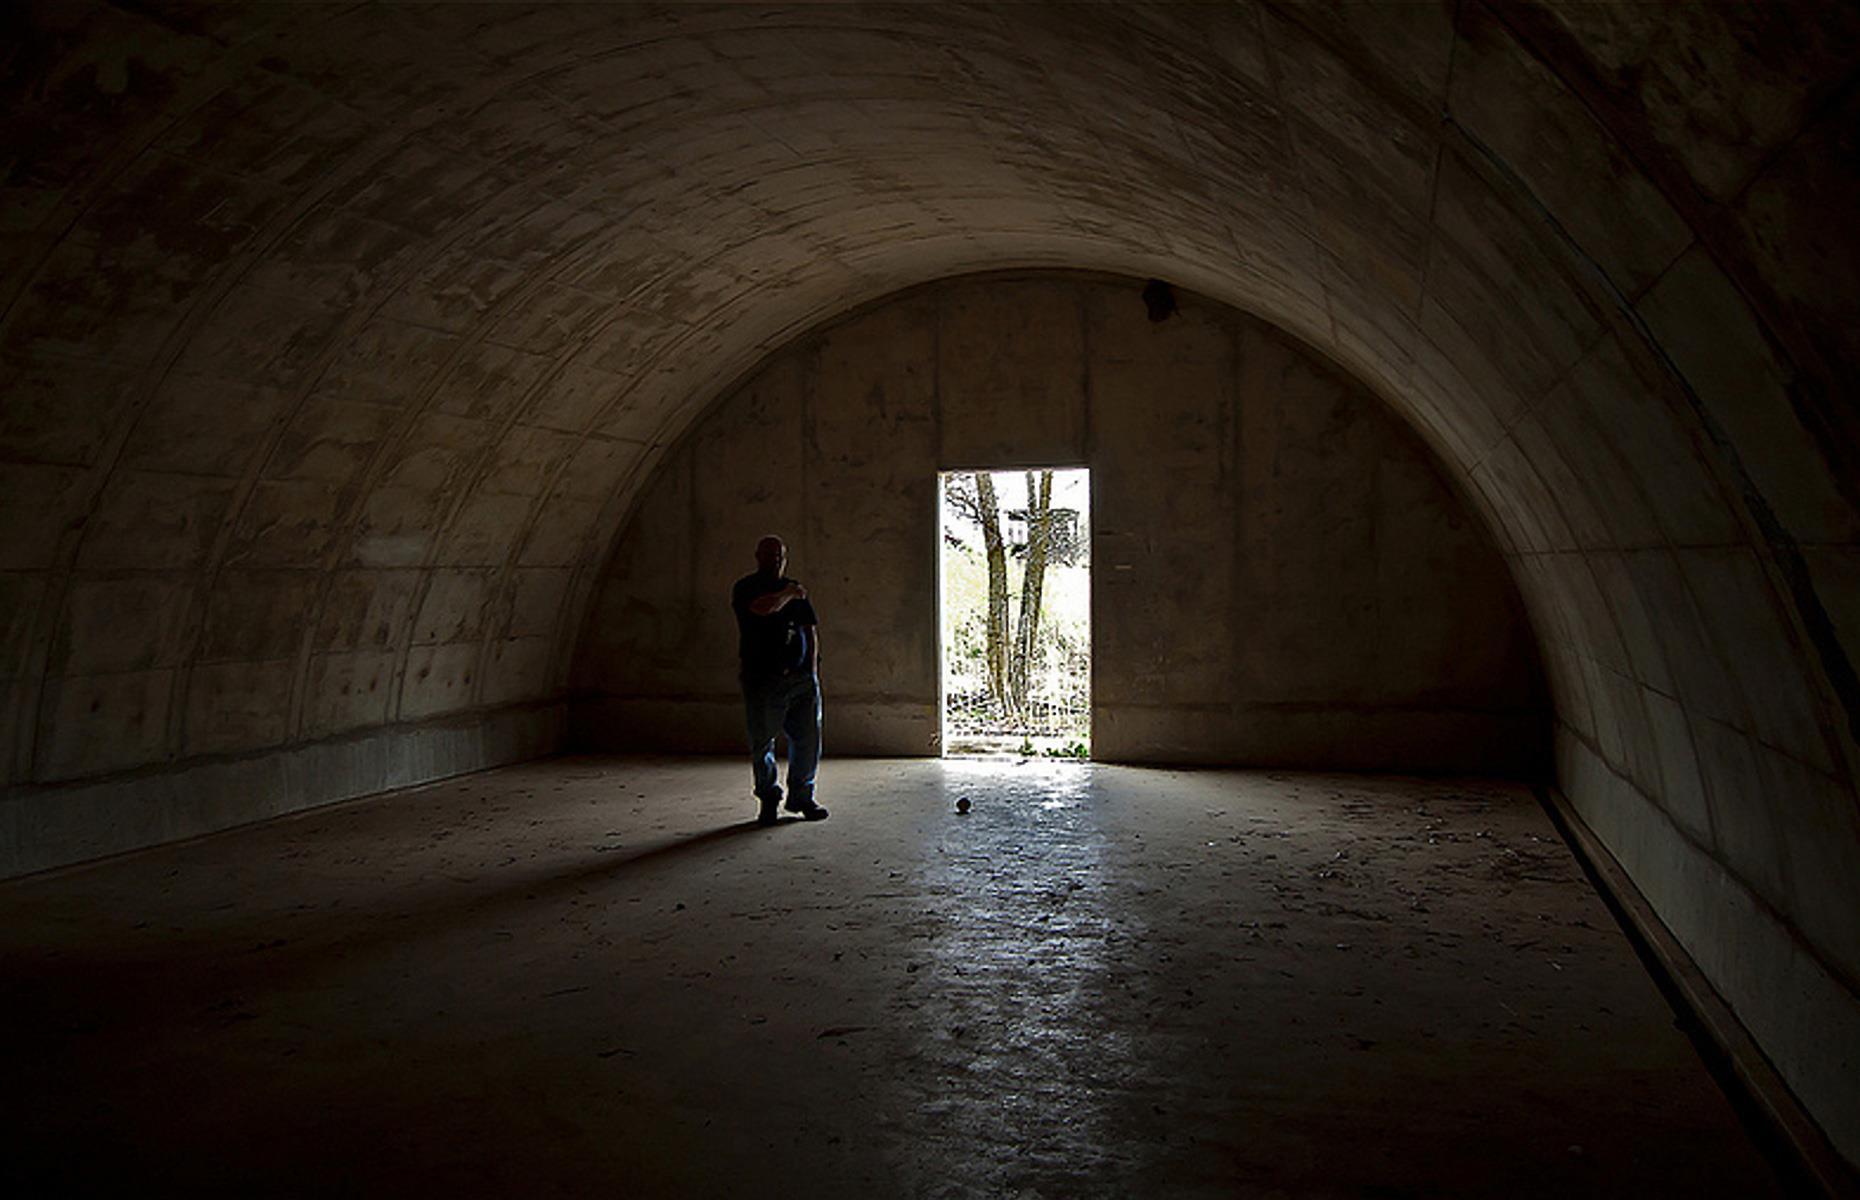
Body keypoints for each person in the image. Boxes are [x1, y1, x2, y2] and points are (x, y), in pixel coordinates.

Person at [731, 535, 827, 825]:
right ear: (757, 556)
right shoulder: (747, 588)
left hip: (800, 679)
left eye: (780, 556)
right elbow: (764, 608)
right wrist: (790, 593)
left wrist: (811, 671)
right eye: (770, 555)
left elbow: (809, 630)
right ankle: (768, 799)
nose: (775, 561)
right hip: (762, 679)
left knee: (807, 741)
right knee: (762, 742)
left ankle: (801, 796)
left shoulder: (794, 590)